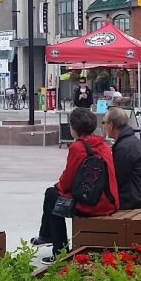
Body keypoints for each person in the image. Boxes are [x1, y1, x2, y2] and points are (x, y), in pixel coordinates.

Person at [31, 108, 119, 263]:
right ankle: (45, 235)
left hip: (92, 205)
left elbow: (66, 182)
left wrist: (58, 187)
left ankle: (59, 250)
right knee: (52, 194)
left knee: (52, 195)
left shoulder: (77, 147)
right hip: (109, 201)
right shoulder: (103, 145)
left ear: (73, 129)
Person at [104, 107, 141, 210]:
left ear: (111, 125)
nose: (103, 126)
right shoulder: (132, 141)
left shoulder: (123, 147)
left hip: (132, 199)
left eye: (104, 123)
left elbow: (117, 179)